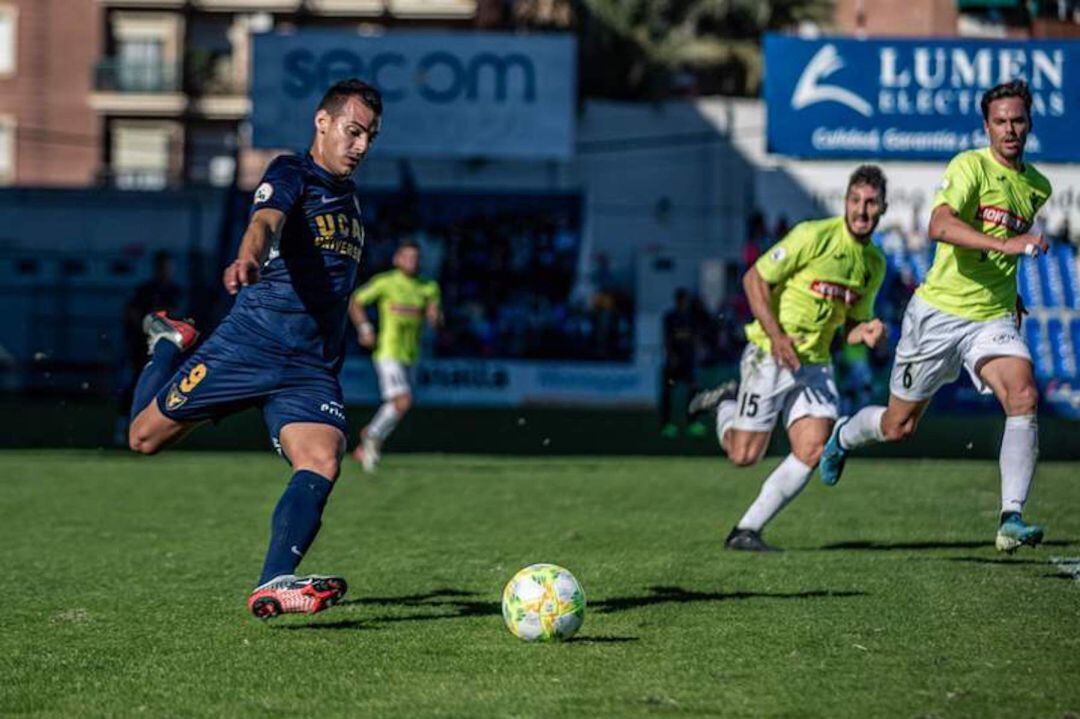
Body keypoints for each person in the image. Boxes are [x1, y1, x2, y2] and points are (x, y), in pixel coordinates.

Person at [126, 79, 382, 618]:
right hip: (250, 345)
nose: (360, 146)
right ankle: (169, 345)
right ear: (322, 122)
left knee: (323, 458)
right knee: (143, 438)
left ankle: (274, 582)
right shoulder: (293, 172)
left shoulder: (352, 203)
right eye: (353, 131)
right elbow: (264, 222)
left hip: (308, 367)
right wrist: (249, 257)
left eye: (369, 137)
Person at [818, 80, 1052, 554]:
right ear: (987, 126)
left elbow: (1001, 253)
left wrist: (1012, 292)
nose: (1009, 129)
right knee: (898, 426)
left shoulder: (1037, 186)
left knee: (1024, 394)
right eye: (1000, 121)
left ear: (1029, 124)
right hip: (938, 315)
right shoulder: (969, 166)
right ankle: (844, 434)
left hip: (991, 318)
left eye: (1018, 120)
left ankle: (1011, 517)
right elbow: (940, 225)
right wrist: (1005, 244)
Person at [689, 165, 889, 551]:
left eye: (871, 203)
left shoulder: (874, 264)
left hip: (814, 364)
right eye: (856, 201)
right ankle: (725, 405)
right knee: (743, 456)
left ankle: (746, 530)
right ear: (845, 201)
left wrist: (862, 332)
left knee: (813, 448)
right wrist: (777, 336)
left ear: (883, 208)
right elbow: (754, 279)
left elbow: (850, 323)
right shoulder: (813, 235)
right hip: (769, 354)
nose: (862, 211)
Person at [349, 239, 441, 472]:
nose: (412, 261)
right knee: (402, 401)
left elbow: (436, 316)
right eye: (408, 257)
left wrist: (435, 317)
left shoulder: (428, 286)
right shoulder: (386, 282)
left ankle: (366, 445)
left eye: (416, 258)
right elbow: (355, 302)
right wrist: (365, 329)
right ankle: (372, 435)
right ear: (397, 259)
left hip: (411, 354)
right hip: (388, 351)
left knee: (399, 405)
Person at [117, 251, 182, 443]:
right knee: (137, 382)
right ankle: (125, 424)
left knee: (165, 386)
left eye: (169, 267)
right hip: (142, 345)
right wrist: (145, 328)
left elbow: (177, 316)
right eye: (163, 266)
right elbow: (131, 312)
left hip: (165, 347)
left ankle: (158, 429)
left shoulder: (174, 291)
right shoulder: (145, 290)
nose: (166, 271)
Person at [659, 288, 704, 438]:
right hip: (674, 362)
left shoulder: (692, 318)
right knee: (668, 393)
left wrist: (697, 354)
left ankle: (692, 423)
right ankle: (666, 425)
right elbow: (666, 339)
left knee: (693, 391)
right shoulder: (670, 318)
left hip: (688, 362)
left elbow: (696, 338)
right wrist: (670, 355)